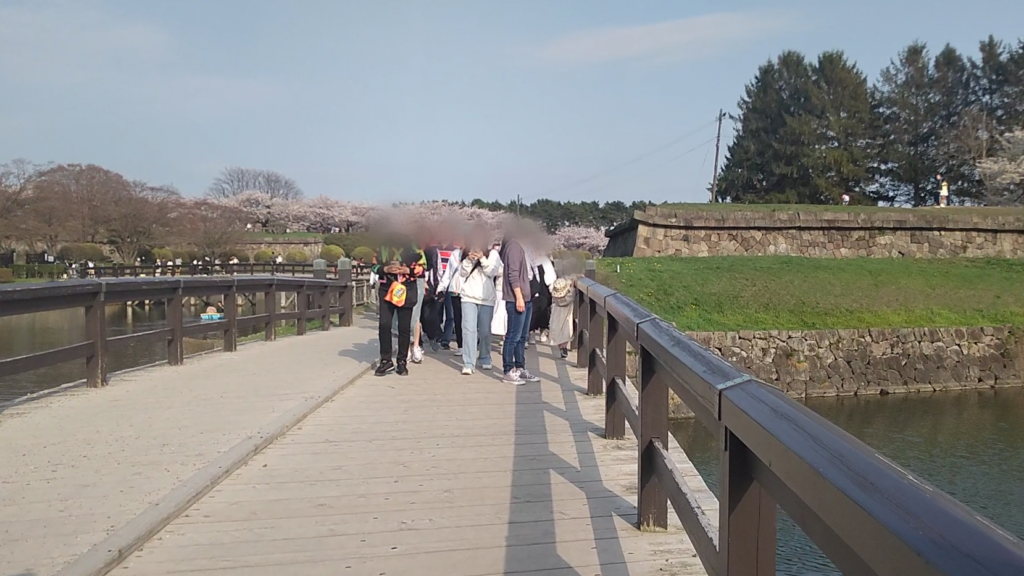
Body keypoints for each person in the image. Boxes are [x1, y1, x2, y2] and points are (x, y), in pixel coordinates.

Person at [372, 234, 424, 377]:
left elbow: (423, 267)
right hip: (386, 287)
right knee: (384, 324)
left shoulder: (414, 245)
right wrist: (385, 269)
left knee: (404, 327)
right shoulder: (382, 245)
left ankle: (402, 361)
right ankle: (386, 360)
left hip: (406, 287)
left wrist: (409, 271)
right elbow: (374, 266)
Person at [499, 225, 541, 385]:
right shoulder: (514, 247)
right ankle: (508, 370)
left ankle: (520, 367)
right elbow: (513, 274)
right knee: (513, 336)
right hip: (517, 297)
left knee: (522, 336)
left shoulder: (521, 247)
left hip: (526, 297)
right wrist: (518, 297)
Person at [458, 226, 500, 375]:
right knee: (469, 330)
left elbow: (492, 272)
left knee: (484, 331)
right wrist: (469, 259)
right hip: (468, 296)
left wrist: (482, 258)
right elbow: (462, 273)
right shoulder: (464, 253)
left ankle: (485, 357)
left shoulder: (493, 254)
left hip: (486, 298)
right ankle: (469, 362)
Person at [437, 232, 464, 353]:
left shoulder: (475, 255)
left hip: (468, 292)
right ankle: (456, 343)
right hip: (453, 290)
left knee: (464, 319)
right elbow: (448, 272)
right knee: (453, 316)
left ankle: (466, 344)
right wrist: (441, 287)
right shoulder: (455, 254)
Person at [529, 251, 556, 344]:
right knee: (532, 312)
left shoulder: (545, 260)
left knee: (544, 311)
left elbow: (551, 276)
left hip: (544, 289)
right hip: (532, 290)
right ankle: (531, 332)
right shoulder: (528, 259)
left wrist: (552, 289)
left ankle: (543, 331)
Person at [549, 277, 575, 359]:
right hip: (566, 314)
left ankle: (561, 347)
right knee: (566, 331)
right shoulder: (568, 297)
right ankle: (564, 347)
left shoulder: (556, 298)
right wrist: (572, 287)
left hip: (556, 314)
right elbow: (572, 293)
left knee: (557, 331)